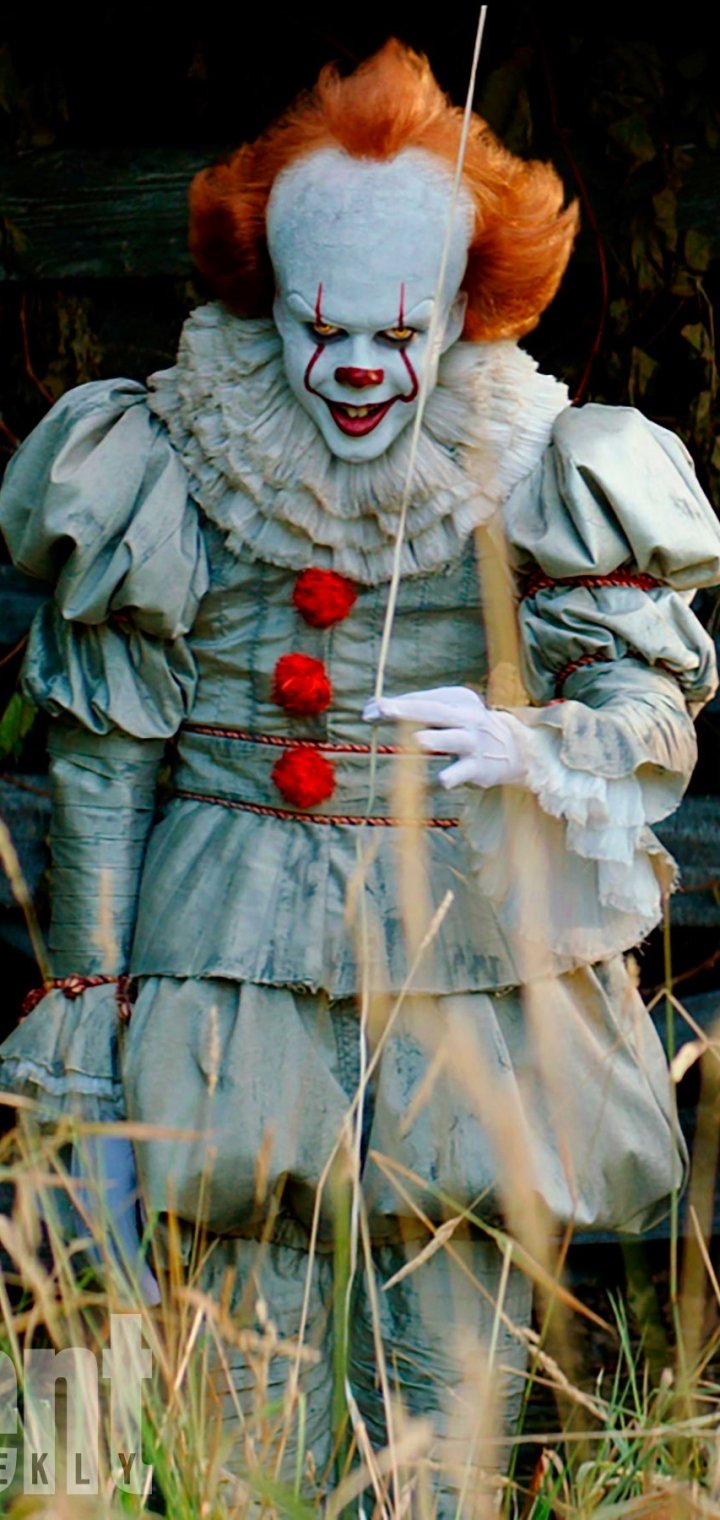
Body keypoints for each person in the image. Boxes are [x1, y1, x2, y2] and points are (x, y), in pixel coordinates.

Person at [1, 38, 719, 1509]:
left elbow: (651, 704)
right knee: (238, 1359)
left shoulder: (545, 460)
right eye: (323, 327)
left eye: (399, 333)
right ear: (271, 298)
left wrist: (534, 742)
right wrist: (85, 1001)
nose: (356, 369)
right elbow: (104, 762)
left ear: (460, 309)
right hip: (224, 952)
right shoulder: (171, 457)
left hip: (463, 956)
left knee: (446, 1356)